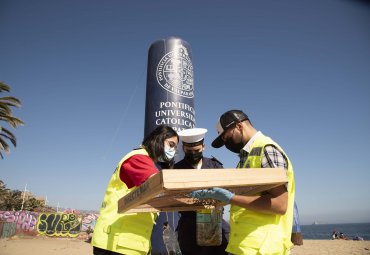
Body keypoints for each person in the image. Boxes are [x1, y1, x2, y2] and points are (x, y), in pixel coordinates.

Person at [191, 109, 295, 255]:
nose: (227, 144)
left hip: (264, 248)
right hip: (245, 246)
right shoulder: (245, 158)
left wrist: (231, 198)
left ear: (239, 126)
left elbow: (280, 204)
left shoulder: (266, 149)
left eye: (227, 138)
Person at [91, 125, 179, 255]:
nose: (173, 150)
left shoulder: (146, 161)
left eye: (175, 147)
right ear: (158, 139)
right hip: (116, 242)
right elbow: (157, 182)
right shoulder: (138, 158)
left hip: (128, 244)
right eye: (171, 144)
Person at [174, 128, 229, 255]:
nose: (193, 153)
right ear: (183, 149)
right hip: (190, 227)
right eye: (189, 151)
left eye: (196, 150)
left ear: (203, 147)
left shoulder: (215, 166)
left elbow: (226, 190)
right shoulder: (176, 170)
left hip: (215, 220)